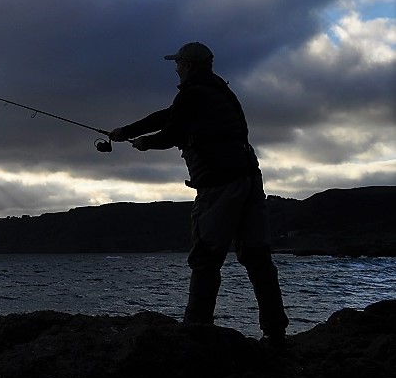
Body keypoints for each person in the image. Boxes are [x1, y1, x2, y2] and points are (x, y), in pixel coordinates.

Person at [109, 41, 289, 344]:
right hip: (249, 179)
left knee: (206, 258)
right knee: (257, 257)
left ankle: (196, 330)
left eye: (178, 63)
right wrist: (126, 132)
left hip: (219, 186)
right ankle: (276, 333)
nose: (176, 68)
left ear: (189, 65)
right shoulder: (218, 92)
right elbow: (167, 116)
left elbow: (172, 133)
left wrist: (144, 144)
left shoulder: (194, 94)